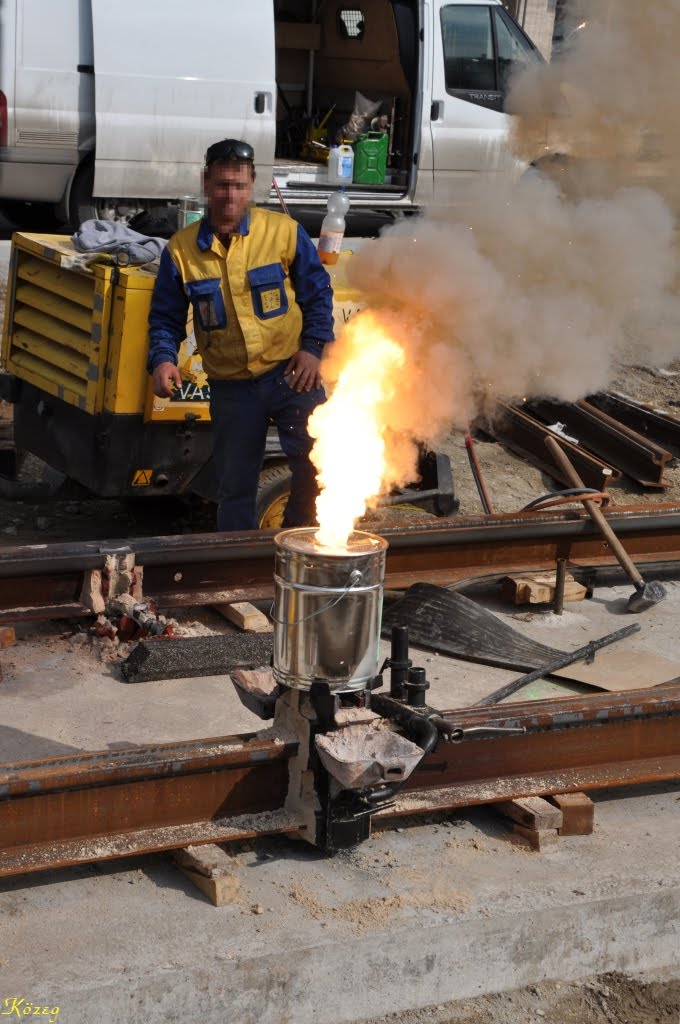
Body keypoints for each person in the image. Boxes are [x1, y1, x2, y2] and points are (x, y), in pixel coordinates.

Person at [147, 138, 334, 530]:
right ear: (206, 183)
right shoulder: (180, 251)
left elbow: (318, 293)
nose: (229, 195)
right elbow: (165, 317)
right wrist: (163, 359)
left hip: (292, 375)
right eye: (221, 185)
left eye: (238, 185)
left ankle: (299, 544)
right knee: (235, 487)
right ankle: (238, 571)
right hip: (232, 388)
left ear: (252, 186)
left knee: (317, 466)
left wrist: (313, 349)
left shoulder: (283, 232)